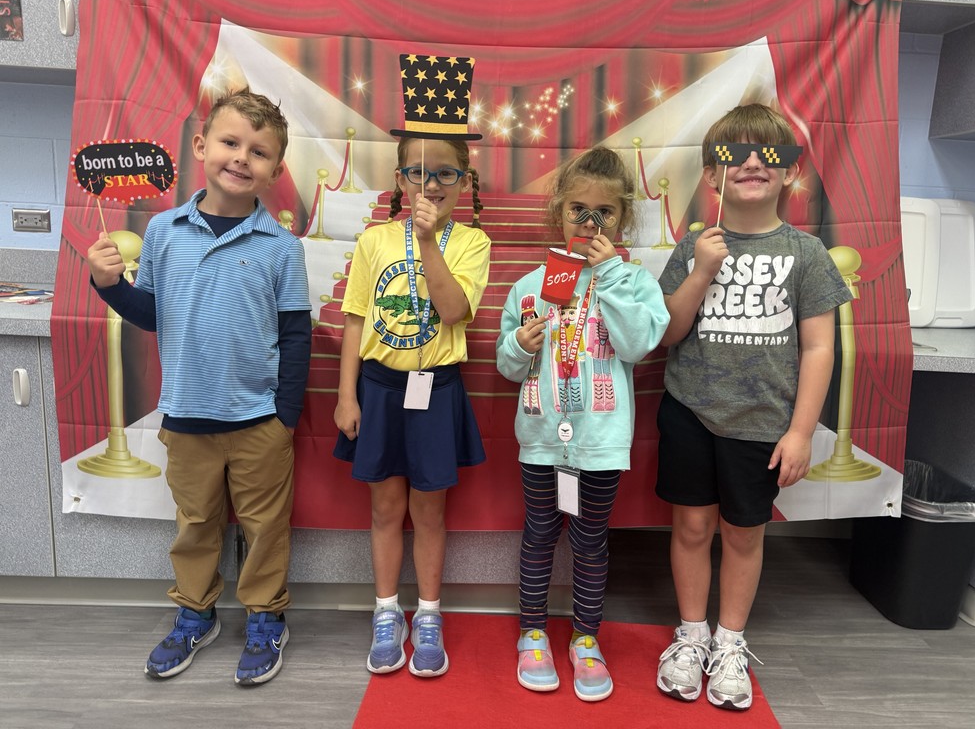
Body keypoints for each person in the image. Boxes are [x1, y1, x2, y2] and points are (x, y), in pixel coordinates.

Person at [85, 88, 311, 686]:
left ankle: (265, 615)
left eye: (258, 151)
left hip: (260, 422)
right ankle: (196, 610)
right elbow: (154, 312)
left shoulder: (283, 248)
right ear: (201, 145)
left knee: (266, 528)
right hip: (186, 418)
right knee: (194, 523)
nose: (241, 158)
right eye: (231, 143)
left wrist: (284, 415)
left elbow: (296, 334)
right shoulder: (163, 231)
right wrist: (108, 286)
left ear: (276, 169)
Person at [655, 103, 852, 710]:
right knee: (691, 526)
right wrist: (701, 269)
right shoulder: (693, 248)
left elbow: (820, 347)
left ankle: (730, 642)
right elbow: (668, 333)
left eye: (768, 154)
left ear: (790, 172)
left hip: (763, 424)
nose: (750, 163)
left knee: (744, 534)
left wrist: (800, 433)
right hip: (690, 409)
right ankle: (691, 636)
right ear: (711, 177)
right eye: (732, 154)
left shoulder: (807, 254)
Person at [495, 146, 669, 702]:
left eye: (605, 214)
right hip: (542, 440)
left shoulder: (633, 282)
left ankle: (587, 639)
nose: (590, 224)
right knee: (540, 535)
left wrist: (611, 274)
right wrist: (519, 346)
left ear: (622, 219)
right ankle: (532, 632)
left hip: (598, 444)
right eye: (578, 211)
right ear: (559, 212)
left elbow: (639, 345)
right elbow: (505, 365)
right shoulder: (530, 286)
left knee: (591, 540)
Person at [333, 136, 491, 678]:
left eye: (447, 174)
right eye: (420, 173)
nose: (432, 184)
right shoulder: (375, 240)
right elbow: (355, 319)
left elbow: (452, 311)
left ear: (464, 184)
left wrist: (427, 243)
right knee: (383, 509)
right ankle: (384, 613)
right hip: (378, 389)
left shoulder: (471, 242)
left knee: (429, 510)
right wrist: (346, 394)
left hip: (436, 387)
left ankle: (427, 615)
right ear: (401, 180)